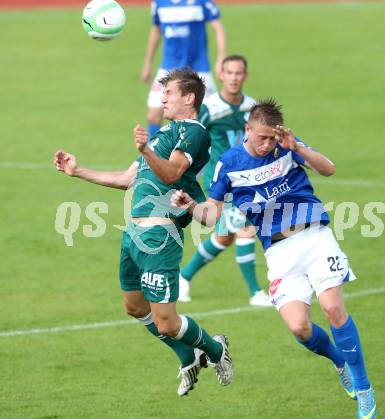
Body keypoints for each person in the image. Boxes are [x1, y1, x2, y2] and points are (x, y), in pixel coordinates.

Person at [170, 99, 377, 419]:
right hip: (279, 252)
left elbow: (329, 168)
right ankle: (340, 361)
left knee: (333, 308)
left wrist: (298, 149)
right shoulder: (230, 163)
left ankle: (363, 387)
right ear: (247, 130)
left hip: (315, 237)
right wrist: (190, 207)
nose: (268, 144)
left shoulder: (286, 146)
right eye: (262, 137)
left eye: (272, 138)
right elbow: (211, 215)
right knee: (299, 327)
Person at [53, 68, 233, 397]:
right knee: (134, 307)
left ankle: (216, 349)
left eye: (169, 93)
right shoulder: (163, 133)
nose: (162, 98)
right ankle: (187, 355)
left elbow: (172, 173)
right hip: (133, 234)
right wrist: (77, 171)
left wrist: (146, 151)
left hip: (160, 238)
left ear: (189, 98)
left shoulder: (193, 133)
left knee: (166, 322)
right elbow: (126, 178)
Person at [179, 55, 271, 307]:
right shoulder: (209, 108)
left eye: (238, 73)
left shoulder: (251, 107)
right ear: (221, 75)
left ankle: (183, 277)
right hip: (222, 183)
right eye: (229, 73)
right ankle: (255, 293)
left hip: (249, 181)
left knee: (224, 237)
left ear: (245, 76)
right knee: (246, 230)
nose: (233, 78)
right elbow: (192, 135)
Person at [141, 0, 226, 139]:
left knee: (211, 116)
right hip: (168, 68)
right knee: (153, 116)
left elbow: (218, 28)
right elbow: (156, 30)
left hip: (199, 68)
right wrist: (148, 63)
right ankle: (155, 156)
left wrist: (221, 57)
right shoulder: (159, 3)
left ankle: (210, 154)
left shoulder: (201, 2)